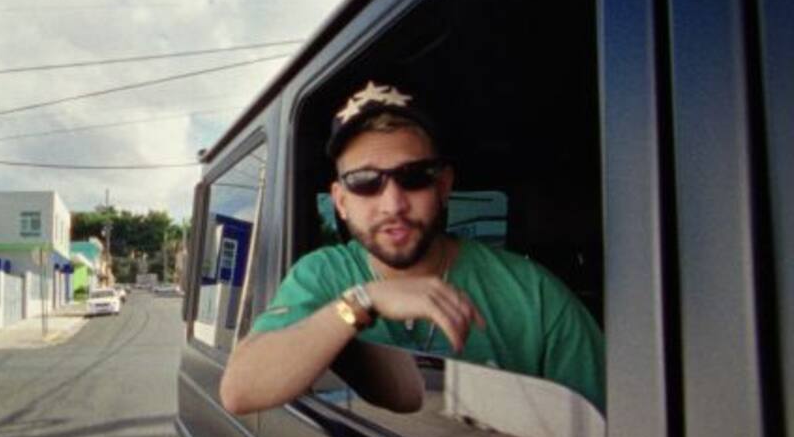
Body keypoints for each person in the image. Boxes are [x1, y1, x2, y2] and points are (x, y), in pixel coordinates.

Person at [219, 80, 605, 415]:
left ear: (444, 185)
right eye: (365, 181)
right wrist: (363, 301)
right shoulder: (323, 274)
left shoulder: (534, 296)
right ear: (341, 200)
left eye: (415, 176)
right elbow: (240, 391)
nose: (393, 204)